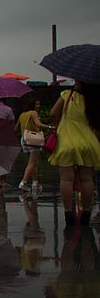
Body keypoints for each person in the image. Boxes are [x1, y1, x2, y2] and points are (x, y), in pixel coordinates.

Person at [48, 81, 100, 227]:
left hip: (67, 141)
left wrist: (58, 123)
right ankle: (86, 212)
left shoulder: (66, 94)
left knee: (66, 179)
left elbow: (53, 113)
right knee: (87, 179)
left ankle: (68, 212)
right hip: (88, 141)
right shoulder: (93, 99)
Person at [17, 98, 53, 194]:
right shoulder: (33, 113)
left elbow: (16, 128)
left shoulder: (22, 114)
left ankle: (35, 182)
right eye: (36, 104)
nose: (38, 106)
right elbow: (38, 124)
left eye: (38, 104)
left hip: (24, 139)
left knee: (32, 163)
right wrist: (50, 127)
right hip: (33, 140)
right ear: (31, 105)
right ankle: (23, 182)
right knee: (32, 163)